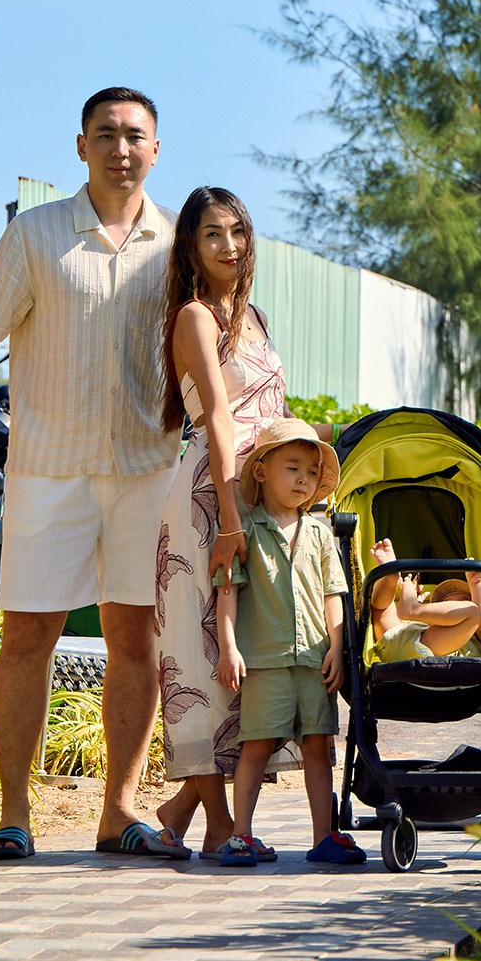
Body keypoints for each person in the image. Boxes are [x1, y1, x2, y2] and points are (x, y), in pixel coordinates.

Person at [0, 87, 187, 863]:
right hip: (48, 471)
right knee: (27, 634)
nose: (120, 147)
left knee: (135, 636)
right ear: (81, 146)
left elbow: (212, 344)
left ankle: (118, 811)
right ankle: (14, 815)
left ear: (156, 149)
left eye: (135, 135)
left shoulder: (179, 243)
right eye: (105, 133)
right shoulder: (36, 235)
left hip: (147, 469)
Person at [144, 186, 323, 857]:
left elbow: (277, 415)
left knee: (259, 653)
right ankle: (220, 826)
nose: (228, 245)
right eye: (212, 234)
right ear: (191, 248)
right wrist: (227, 516)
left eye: (238, 231)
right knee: (206, 656)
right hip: (209, 498)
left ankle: (179, 811)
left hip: (264, 493)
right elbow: (219, 417)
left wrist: (300, 487)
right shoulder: (194, 317)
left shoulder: (258, 319)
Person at [208, 420, 366, 868]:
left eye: (312, 473)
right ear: (261, 472)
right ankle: (241, 835)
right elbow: (228, 591)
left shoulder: (319, 533)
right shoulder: (245, 531)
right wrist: (228, 647)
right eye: (293, 468)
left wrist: (336, 646)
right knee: (257, 744)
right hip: (264, 661)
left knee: (318, 745)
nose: (303, 480)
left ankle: (323, 836)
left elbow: (333, 593)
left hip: (315, 659)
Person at [365, 540, 481, 662]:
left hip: (422, 651)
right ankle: (390, 579)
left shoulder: (477, 637)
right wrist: (412, 616)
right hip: (407, 644)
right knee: (381, 609)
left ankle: (412, 607)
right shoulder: (423, 627)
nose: (455, 602)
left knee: (473, 612)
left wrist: (476, 584)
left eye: (462, 600)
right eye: (446, 603)